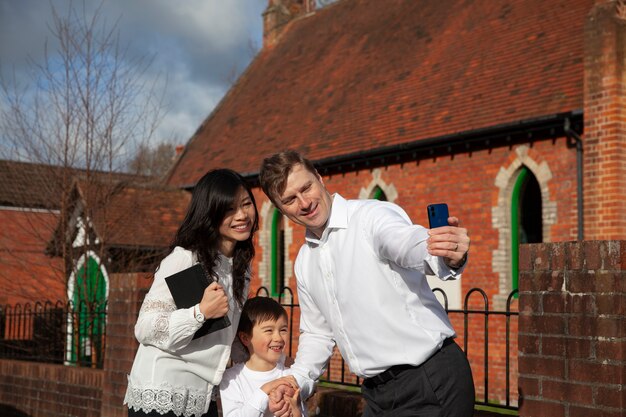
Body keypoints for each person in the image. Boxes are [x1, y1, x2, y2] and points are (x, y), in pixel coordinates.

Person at [258, 150, 475, 417]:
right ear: (280, 209)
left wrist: (441, 251)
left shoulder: (371, 216)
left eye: (306, 187)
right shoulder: (304, 261)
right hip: (377, 394)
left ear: (319, 178)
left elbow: (405, 242)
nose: (304, 203)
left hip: (430, 380)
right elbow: (317, 334)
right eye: (290, 199)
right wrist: (296, 381)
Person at [124, 169, 259, 417]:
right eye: (229, 209)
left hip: (203, 395)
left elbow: (223, 338)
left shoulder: (241, 266)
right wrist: (200, 313)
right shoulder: (186, 259)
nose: (242, 215)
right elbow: (144, 327)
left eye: (246, 204)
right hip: (163, 392)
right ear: (210, 213)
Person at [219, 297, 305, 417]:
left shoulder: (289, 376)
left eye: (283, 330)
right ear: (245, 338)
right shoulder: (231, 379)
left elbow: (300, 413)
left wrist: (295, 412)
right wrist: (265, 390)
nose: (278, 338)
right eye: (269, 330)